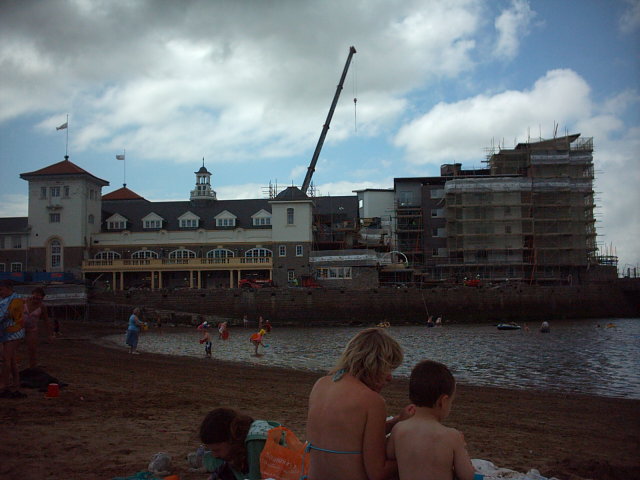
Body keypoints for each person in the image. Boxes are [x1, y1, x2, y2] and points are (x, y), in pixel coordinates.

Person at [305, 328, 411, 480]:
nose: (389, 378)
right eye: (388, 369)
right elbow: (378, 473)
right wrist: (413, 458)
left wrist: (397, 421)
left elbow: (349, 435)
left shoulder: (321, 384)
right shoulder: (372, 401)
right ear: (374, 364)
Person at [386, 360, 475, 480]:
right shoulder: (452, 436)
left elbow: (390, 455)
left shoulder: (398, 429)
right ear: (443, 401)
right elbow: (467, 476)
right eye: (451, 401)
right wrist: (462, 448)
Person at [199, 407, 280, 480]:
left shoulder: (256, 442)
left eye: (217, 450)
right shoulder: (238, 446)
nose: (215, 455)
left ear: (233, 439)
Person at [0, 279, 27, 398]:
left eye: (1, 289)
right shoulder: (6, 299)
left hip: (14, 332)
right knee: (10, 359)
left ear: (7, 288)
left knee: (6, 359)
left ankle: (3, 385)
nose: (0, 292)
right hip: (7, 332)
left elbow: (6, 314)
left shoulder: (16, 299)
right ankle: (15, 384)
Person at [23, 287, 53, 368]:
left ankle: (32, 367)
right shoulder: (24, 302)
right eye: (34, 296)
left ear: (42, 298)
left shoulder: (42, 307)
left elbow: (46, 321)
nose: (35, 298)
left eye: (38, 297)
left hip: (31, 329)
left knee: (32, 349)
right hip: (19, 328)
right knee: (12, 348)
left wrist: (49, 334)